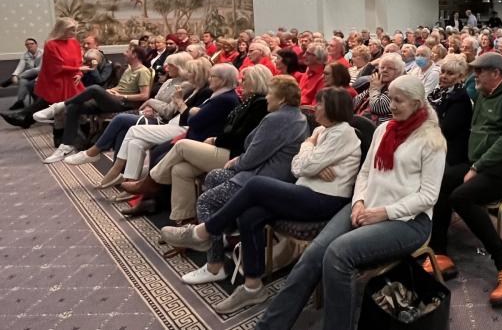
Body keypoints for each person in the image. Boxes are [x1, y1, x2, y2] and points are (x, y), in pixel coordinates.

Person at [255, 75, 445, 330]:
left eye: (399, 101)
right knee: (313, 255)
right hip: (367, 207)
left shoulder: (431, 141)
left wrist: (383, 212)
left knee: (338, 254)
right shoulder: (383, 129)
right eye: (391, 99)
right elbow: (365, 173)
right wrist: (358, 202)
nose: (392, 105)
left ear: (417, 104)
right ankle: (269, 326)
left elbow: (428, 196)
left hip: (408, 222)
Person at [161, 87, 360, 314]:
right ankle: (253, 288)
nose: (315, 108)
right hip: (305, 190)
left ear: (333, 107)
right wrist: (312, 159)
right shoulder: (324, 131)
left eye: (320, 104)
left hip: (324, 199)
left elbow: (301, 166)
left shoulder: (343, 133)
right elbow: (300, 168)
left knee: (256, 185)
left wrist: (308, 149)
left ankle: (203, 232)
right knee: (250, 215)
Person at [427, 53, 502, 306]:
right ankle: (439, 252)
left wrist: (476, 166)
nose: (475, 76)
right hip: (484, 163)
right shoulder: (485, 95)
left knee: (462, 197)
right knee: (441, 182)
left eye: (479, 72)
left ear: (496, 73)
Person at [121, 65, 272, 224]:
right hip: (223, 147)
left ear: (256, 81)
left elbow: (239, 137)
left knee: (182, 146)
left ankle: (150, 183)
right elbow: (226, 128)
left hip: (234, 155)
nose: (241, 82)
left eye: (245, 79)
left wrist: (215, 139)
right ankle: (184, 221)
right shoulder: (248, 101)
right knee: (181, 170)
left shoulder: (258, 104)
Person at [64, 52, 197, 167]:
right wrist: (150, 105)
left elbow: (167, 111)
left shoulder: (185, 85)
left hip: (160, 120)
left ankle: (93, 152)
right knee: (122, 126)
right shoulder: (168, 82)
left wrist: (149, 102)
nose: (166, 68)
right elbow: (156, 99)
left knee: (119, 117)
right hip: (148, 112)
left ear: (180, 67)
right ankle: (119, 170)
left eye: (171, 65)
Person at [33, 46, 153, 159]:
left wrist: (123, 96)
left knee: (94, 88)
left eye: (127, 51)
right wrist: (110, 91)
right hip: (114, 99)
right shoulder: (129, 69)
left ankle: (58, 106)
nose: (124, 53)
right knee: (74, 106)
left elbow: (144, 95)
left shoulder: (143, 71)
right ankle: (67, 145)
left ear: (135, 55)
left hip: (124, 104)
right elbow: (120, 87)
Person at [1, 19, 83, 131]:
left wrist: (79, 73)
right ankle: (24, 118)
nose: (74, 33)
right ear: (62, 30)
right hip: (57, 80)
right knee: (50, 103)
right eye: (71, 30)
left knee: (48, 103)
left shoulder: (74, 42)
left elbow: (79, 61)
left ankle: (23, 118)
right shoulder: (51, 45)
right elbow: (56, 67)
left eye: (75, 30)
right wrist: (78, 69)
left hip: (72, 80)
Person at [428, 54, 473, 166]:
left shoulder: (460, 97)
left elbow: (446, 130)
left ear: (460, 76)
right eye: (442, 71)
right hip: (433, 141)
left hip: (449, 151)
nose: (444, 76)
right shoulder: (437, 92)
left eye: (450, 73)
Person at [352, 53, 404, 124]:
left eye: (390, 68)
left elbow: (377, 107)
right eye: (382, 67)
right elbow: (355, 101)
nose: (384, 70)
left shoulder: (398, 89)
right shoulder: (380, 84)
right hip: (359, 122)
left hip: (377, 128)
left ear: (399, 72)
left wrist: (374, 89)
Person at [2, 38, 43, 109]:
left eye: (32, 44)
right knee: (23, 80)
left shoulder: (43, 53)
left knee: (35, 70)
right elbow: (20, 66)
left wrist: (16, 76)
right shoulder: (25, 54)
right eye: (27, 44)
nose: (29, 45)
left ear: (36, 45)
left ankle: (11, 80)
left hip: (43, 74)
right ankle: (20, 102)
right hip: (31, 74)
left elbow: (40, 68)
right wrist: (14, 74)